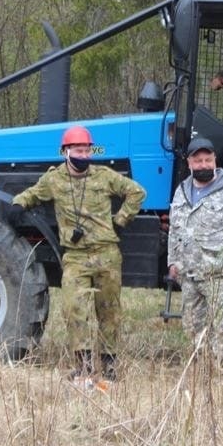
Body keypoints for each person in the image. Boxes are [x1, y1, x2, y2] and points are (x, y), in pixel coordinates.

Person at [10, 125, 146, 384]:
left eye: (86, 150)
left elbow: (137, 192)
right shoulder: (54, 180)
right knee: (74, 309)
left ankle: (108, 367)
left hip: (107, 254)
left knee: (109, 311)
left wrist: (121, 220)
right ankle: (82, 366)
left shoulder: (104, 176)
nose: (82, 155)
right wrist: (17, 205)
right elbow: (31, 195)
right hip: (75, 256)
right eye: (77, 150)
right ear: (65, 151)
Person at [167, 137, 223, 367]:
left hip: (220, 274)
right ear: (189, 163)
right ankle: (203, 374)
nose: (204, 165)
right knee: (193, 327)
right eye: (199, 161)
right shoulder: (182, 191)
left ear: (215, 160)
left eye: (208, 160)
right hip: (190, 276)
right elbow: (175, 229)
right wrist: (173, 262)